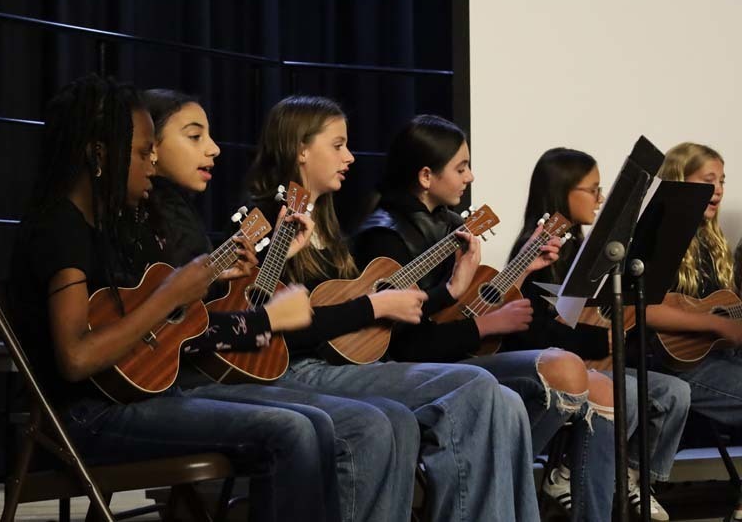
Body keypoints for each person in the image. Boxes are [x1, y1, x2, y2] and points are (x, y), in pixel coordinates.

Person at [7, 75, 337, 522]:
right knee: (293, 430)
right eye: (144, 153)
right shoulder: (61, 230)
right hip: (86, 419)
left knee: (316, 423)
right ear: (101, 154)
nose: (152, 164)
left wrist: (202, 287)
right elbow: (76, 358)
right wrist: (170, 295)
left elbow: (145, 332)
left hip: (134, 400)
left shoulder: (109, 226)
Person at [246, 95, 541, 522]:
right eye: (338, 145)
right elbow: (276, 328)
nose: (349, 157)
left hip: (343, 364)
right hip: (299, 369)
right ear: (301, 150)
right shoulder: (272, 223)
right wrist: (373, 305)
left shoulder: (325, 223)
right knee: (474, 386)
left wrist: (449, 291)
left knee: (504, 400)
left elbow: (364, 317)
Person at [132, 88, 420, 522]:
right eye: (194, 136)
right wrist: (268, 316)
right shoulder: (158, 221)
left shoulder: (180, 217)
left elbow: (202, 314)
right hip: (209, 378)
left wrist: (272, 269)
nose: (214, 148)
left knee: (396, 416)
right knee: (367, 422)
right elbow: (187, 331)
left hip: (235, 367)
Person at [353, 114, 618, 521]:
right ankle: (495, 470)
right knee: (565, 368)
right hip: (417, 369)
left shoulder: (451, 225)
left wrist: (523, 268)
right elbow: (408, 341)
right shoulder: (383, 236)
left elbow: (459, 305)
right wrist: (488, 325)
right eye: (461, 167)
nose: (470, 176)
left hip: (461, 358)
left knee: (601, 388)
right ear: (426, 175)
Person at [508, 147, 692, 521]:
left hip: (599, 364)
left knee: (674, 391)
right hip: (571, 370)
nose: (602, 198)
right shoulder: (537, 251)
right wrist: (598, 342)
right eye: (593, 190)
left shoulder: (590, 248)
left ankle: (633, 480)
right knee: (623, 397)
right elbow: (535, 333)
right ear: (563, 192)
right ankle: (580, 491)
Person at [645, 143, 742, 427]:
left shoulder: (712, 240)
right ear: (679, 182)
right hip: (673, 365)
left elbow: (727, 308)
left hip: (718, 357)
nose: (720, 189)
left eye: (722, 181)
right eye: (708, 180)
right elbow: (643, 309)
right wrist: (716, 325)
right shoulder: (657, 240)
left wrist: (727, 321)